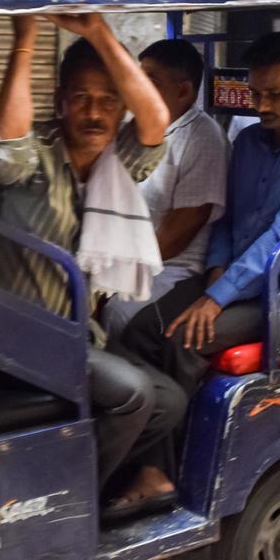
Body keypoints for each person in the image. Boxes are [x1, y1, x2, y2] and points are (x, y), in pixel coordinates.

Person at [0, 13, 186, 520]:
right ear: (60, 102)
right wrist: (25, 39)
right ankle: (61, 508)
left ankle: (87, 475)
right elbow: (7, 141)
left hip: (76, 338)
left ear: (120, 109)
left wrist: (99, 33)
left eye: (107, 101)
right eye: (80, 99)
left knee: (171, 400)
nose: (94, 113)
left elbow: (156, 120)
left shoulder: (120, 163)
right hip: (18, 339)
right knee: (135, 396)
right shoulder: (34, 159)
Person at [123, 32, 280, 396]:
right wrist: (217, 272)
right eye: (255, 94)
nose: (262, 106)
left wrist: (218, 296)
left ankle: (184, 446)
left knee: (186, 340)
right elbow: (227, 218)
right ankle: (151, 442)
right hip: (235, 277)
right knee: (141, 329)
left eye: (275, 95)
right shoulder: (249, 142)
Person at [102, 39, 229, 340]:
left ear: (183, 91)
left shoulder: (203, 138)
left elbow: (181, 229)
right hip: (119, 255)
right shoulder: (131, 129)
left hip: (170, 268)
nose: (137, 89)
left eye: (150, 82)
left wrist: (118, 275)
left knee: (117, 312)